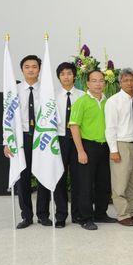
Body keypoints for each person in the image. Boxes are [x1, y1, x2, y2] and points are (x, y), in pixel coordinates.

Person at [5, 55, 57, 228]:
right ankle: (26, 216)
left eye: (34, 66)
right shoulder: (15, 90)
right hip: (23, 138)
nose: (31, 70)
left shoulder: (47, 90)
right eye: (27, 67)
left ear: (39, 69)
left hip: (42, 137)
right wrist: (7, 141)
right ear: (22, 70)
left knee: (43, 174)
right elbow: (7, 118)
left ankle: (43, 214)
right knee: (23, 177)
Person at [69, 69, 117, 230]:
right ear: (87, 83)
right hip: (87, 146)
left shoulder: (107, 101)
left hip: (105, 147)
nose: (98, 84)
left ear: (105, 83)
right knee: (85, 184)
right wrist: (80, 151)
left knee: (104, 183)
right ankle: (85, 218)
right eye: (94, 81)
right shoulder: (81, 102)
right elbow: (74, 126)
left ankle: (101, 213)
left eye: (101, 80)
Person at [105, 68, 133, 226]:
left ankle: (132, 211)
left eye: (132, 80)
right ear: (120, 82)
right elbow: (110, 127)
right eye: (126, 80)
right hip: (121, 145)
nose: (129, 83)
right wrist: (113, 150)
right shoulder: (114, 101)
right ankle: (123, 214)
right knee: (120, 184)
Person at [54, 62, 85, 226]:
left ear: (74, 76)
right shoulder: (52, 96)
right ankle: (60, 215)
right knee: (59, 178)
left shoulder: (82, 96)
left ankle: (77, 214)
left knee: (78, 178)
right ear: (58, 77)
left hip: (78, 141)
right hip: (59, 140)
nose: (66, 77)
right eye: (62, 74)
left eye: (69, 73)